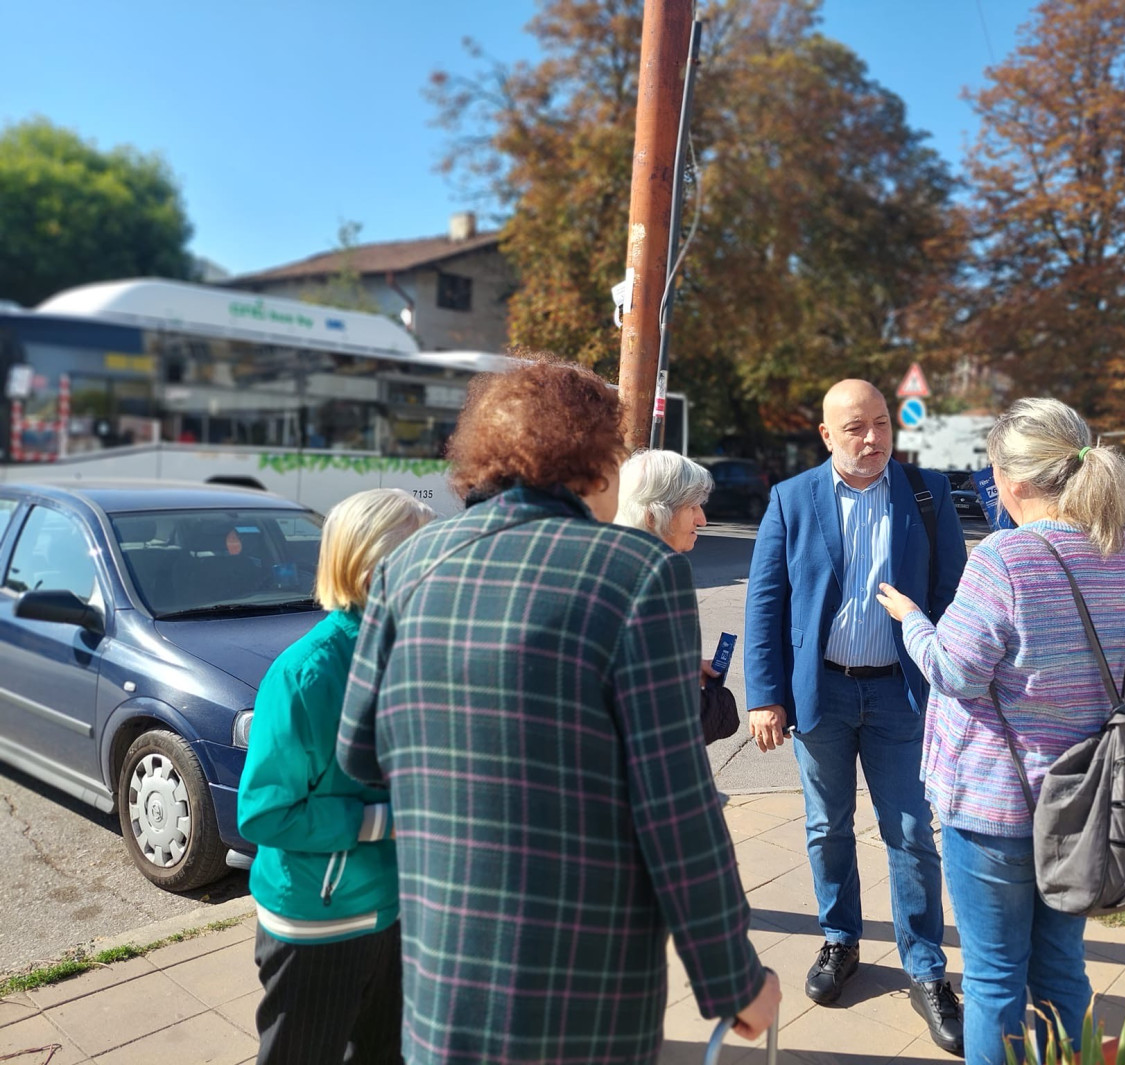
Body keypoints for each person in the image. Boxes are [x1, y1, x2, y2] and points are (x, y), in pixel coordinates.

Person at [336, 360, 779, 1065]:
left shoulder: (408, 564)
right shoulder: (636, 569)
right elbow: (676, 807)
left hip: (440, 975)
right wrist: (732, 978)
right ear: (595, 462)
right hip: (581, 985)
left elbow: (358, 751)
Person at [876, 397, 1125, 1065]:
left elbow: (954, 671)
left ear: (1012, 478)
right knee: (1061, 967)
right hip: (1083, 800)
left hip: (995, 803)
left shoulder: (1005, 556)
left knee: (995, 977)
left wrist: (912, 618)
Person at [743, 378, 967, 1053]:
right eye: (855, 428)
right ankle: (840, 939)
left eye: (880, 424)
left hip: (901, 695)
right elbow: (765, 603)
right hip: (824, 696)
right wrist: (764, 694)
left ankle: (925, 967)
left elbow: (955, 593)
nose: (872, 439)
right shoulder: (792, 499)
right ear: (826, 435)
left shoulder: (925, 495)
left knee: (909, 831)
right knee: (825, 826)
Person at [237, 487, 436, 1065]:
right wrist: (387, 822)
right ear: (375, 569)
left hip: (398, 908)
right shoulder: (306, 673)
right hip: (319, 921)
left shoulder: (415, 649)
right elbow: (265, 812)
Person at [615, 449, 734, 747]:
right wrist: (722, 705)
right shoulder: (665, 571)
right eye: (692, 507)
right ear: (654, 513)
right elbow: (683, 716)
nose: (703, 519)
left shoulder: (607, 560)